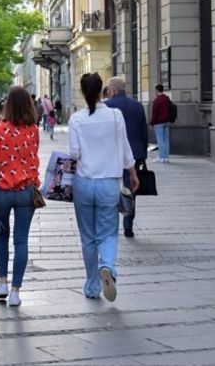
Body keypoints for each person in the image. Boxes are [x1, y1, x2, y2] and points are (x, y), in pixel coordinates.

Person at [69, 72, 139, 301]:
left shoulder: (76, 119)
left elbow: (74, 154)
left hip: (84, 182)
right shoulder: (116, 116)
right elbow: (124, 145)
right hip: (109, 181)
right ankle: (107, 266)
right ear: (102, 92)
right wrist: (132, 170)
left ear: (82, 92)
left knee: (88, 237)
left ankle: (91, 286)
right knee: (108, 232)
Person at [0, 86, 40, 307]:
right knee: (22, 241)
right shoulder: (33, 129)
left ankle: (2, 284)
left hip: (2, 192)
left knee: (1, 236)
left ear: (7, 105)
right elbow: (33, 157)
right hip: (26, 191)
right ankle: (16, 292)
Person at [105, 76, 148, 238]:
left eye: (108, 89)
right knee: (131, 188)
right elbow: (143, 132)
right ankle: (128, 225)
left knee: (110, 188)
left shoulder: (106, 106)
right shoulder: (137, 106)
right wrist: (143, 155)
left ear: (113, 90)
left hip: (112, 154)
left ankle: (110, 224)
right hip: (134, 153)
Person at [150, 84, 171, 163]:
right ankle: (166, 157)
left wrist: (152, 122)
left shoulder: (157, 100)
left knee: (160, 140)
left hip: (158, 122)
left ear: (156, 90)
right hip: (167, 121)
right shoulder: (167, 98)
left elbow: (154, 113)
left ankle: (161, 157)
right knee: (166, 140)